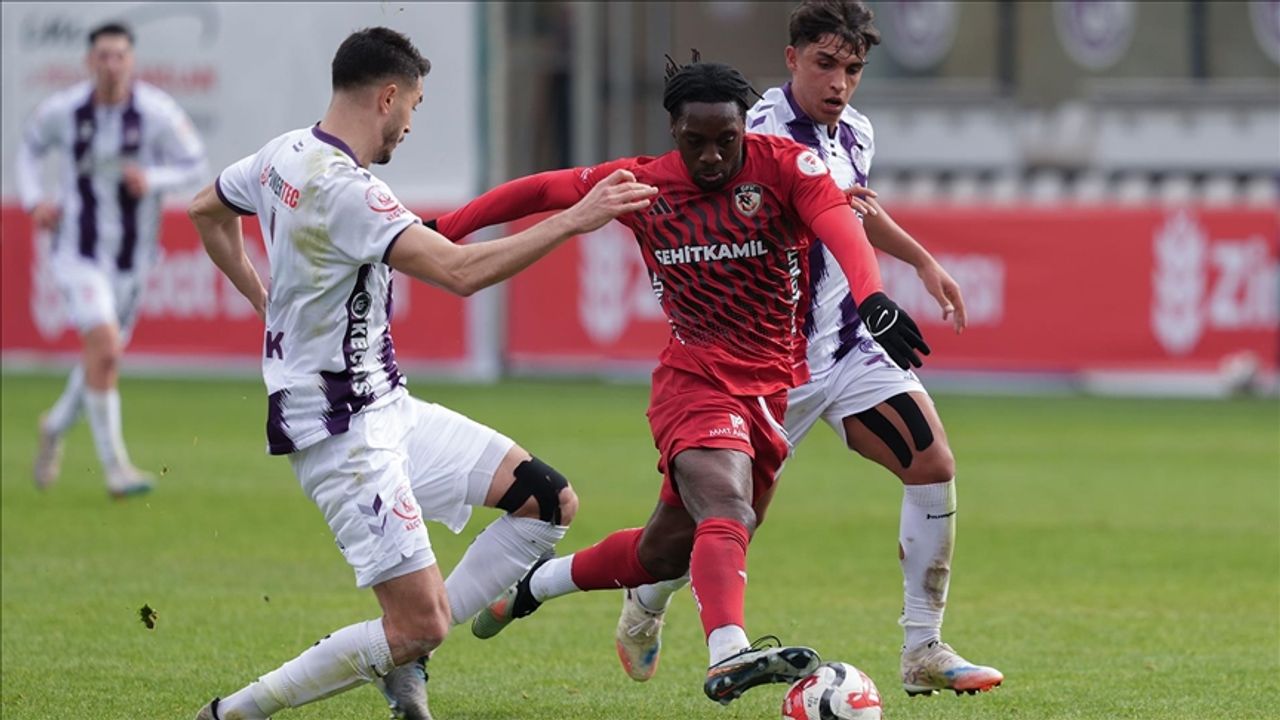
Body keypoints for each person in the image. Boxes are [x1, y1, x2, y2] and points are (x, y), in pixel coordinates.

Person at [417, 59, 929, 706]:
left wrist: (872, 297)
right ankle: (729, 652)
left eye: (726, 140)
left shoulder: (786, 169)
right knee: (727, 507)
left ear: (745, 130)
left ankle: (534, 585)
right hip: (694, 381)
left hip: (771, 391)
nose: (711, 156)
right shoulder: (644, 185)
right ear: (673, 133)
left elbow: (839, 226)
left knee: (663, 554)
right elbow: (545, 190)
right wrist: (443, 230)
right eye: (695, 142)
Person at [186, 27, 656, 720]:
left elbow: (206, 210)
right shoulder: (349, 192)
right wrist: (574, 220)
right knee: (417, 623)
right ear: (388, 96)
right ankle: (234, 713)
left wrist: (266, 303)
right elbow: (459, 273)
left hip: (388, 407)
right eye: (414, 104)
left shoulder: (283, 153)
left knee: (547, 501)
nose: (410, 123)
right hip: (343, 434)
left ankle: (406, 656)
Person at [613, 0, 1004, 699]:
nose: (839, 83)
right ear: (791, 59)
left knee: (932, 462)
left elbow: (849, 211)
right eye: (825, 64)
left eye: (853, 69)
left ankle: (923, 647)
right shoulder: (755, 133)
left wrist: (920, 262)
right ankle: (646, 601)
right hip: (767, 365)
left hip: (847, 349)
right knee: (718, 522)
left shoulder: (855, 132)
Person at [16, 21, 208, 499]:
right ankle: (115, 469)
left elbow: (195, 163)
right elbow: (29, 148)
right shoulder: (65, 110)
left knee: (102, 357)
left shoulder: (155, 112)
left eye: (119, 55)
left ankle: (54, 425)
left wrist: (153, 178)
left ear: (131, 61)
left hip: (133, 260)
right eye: (102, 56)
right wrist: (34, 200)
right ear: (89, 61)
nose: (111, 64)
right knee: (104, 348)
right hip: (78, 253)